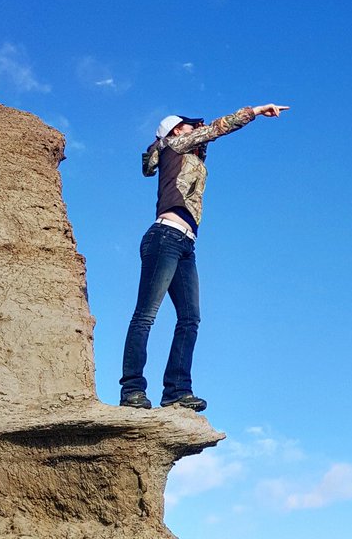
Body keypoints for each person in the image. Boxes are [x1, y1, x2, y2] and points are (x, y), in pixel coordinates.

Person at [119, 102, 289, 410]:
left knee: (190, 318)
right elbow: (217, 128)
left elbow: (205, 138)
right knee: (145, 315)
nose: (196, 128)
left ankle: (176, 391)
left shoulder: (188, 153)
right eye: (190, 125)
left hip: (185, 244)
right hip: (164, 238)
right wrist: (256, 111)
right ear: (175, 131)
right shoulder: (174, 144)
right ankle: (132, 389)